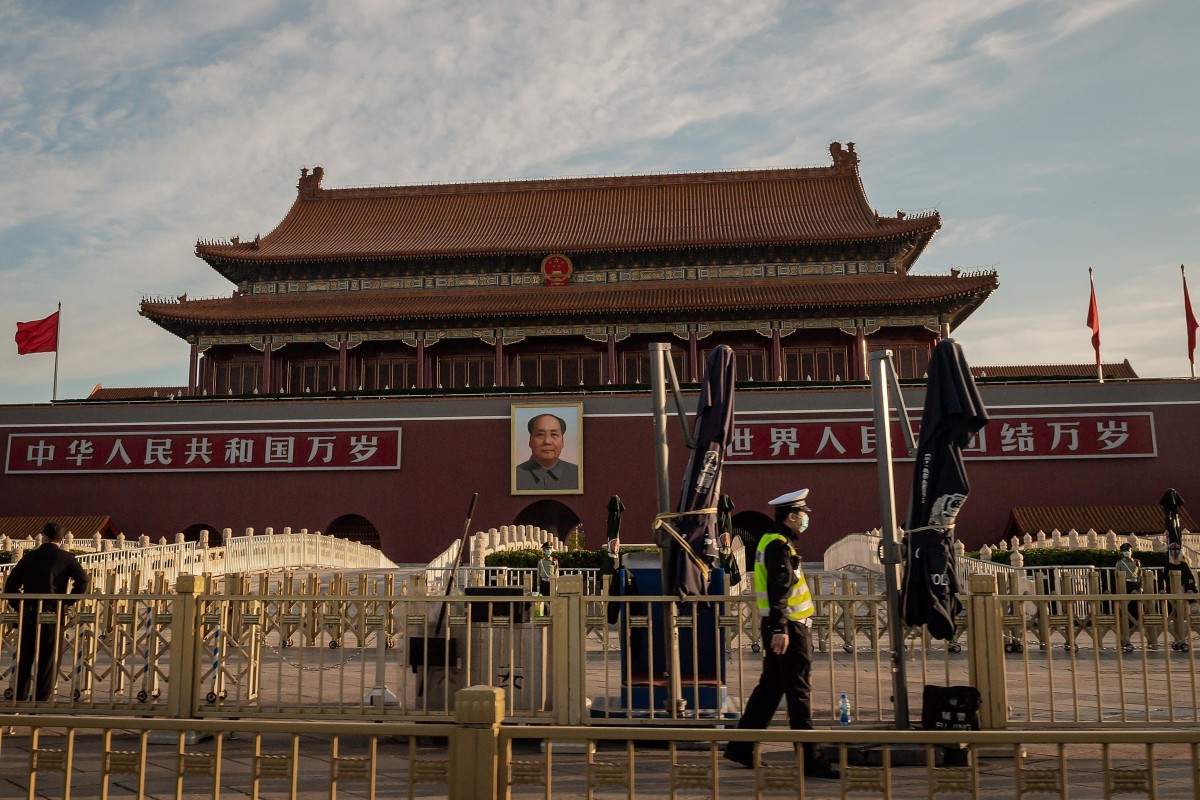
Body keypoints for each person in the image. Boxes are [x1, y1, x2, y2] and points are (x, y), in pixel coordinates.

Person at [724, 489, 839, 779]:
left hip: (781, 625)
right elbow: (779, 588)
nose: (805, 519)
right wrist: (780, 628)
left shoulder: (771, 540)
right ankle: (811, 760)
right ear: (791, 517)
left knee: (770, 689)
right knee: (798, 692)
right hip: (790, 628)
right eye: (802, 514)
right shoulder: (778, 545)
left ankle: (741, 748)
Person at [3, 521, 90, 702]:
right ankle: (40, 700)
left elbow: (10, 586)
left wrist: (21, 606)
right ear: (62, 539)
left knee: (25, 657)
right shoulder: (66, 558)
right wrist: (66, 602)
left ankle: (19, 698)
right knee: (48, 658)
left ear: (44, 537)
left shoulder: (29, 558)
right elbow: (83, 580)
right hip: (53, 613)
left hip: (29, 613)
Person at [515, 413, 579, 491]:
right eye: (540, 435)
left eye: (554, 434)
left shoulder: (579, 474)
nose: (547, 441)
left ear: (562, 441)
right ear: (530, 441)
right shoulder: (514, 476)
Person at [1115, 543, 1142, 625]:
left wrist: (1140, 586)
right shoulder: (1120, 563)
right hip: (1125, 584)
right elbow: (1117, 574)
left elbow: (1140, 574)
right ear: (1122, 552)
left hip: (1135, 584)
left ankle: (1137, 622)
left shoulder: (1136, 562)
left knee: (1136, 604)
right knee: (1127, 604)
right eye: (1125, 551)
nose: (1127, 552)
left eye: (1128, 550)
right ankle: (1128, 623)